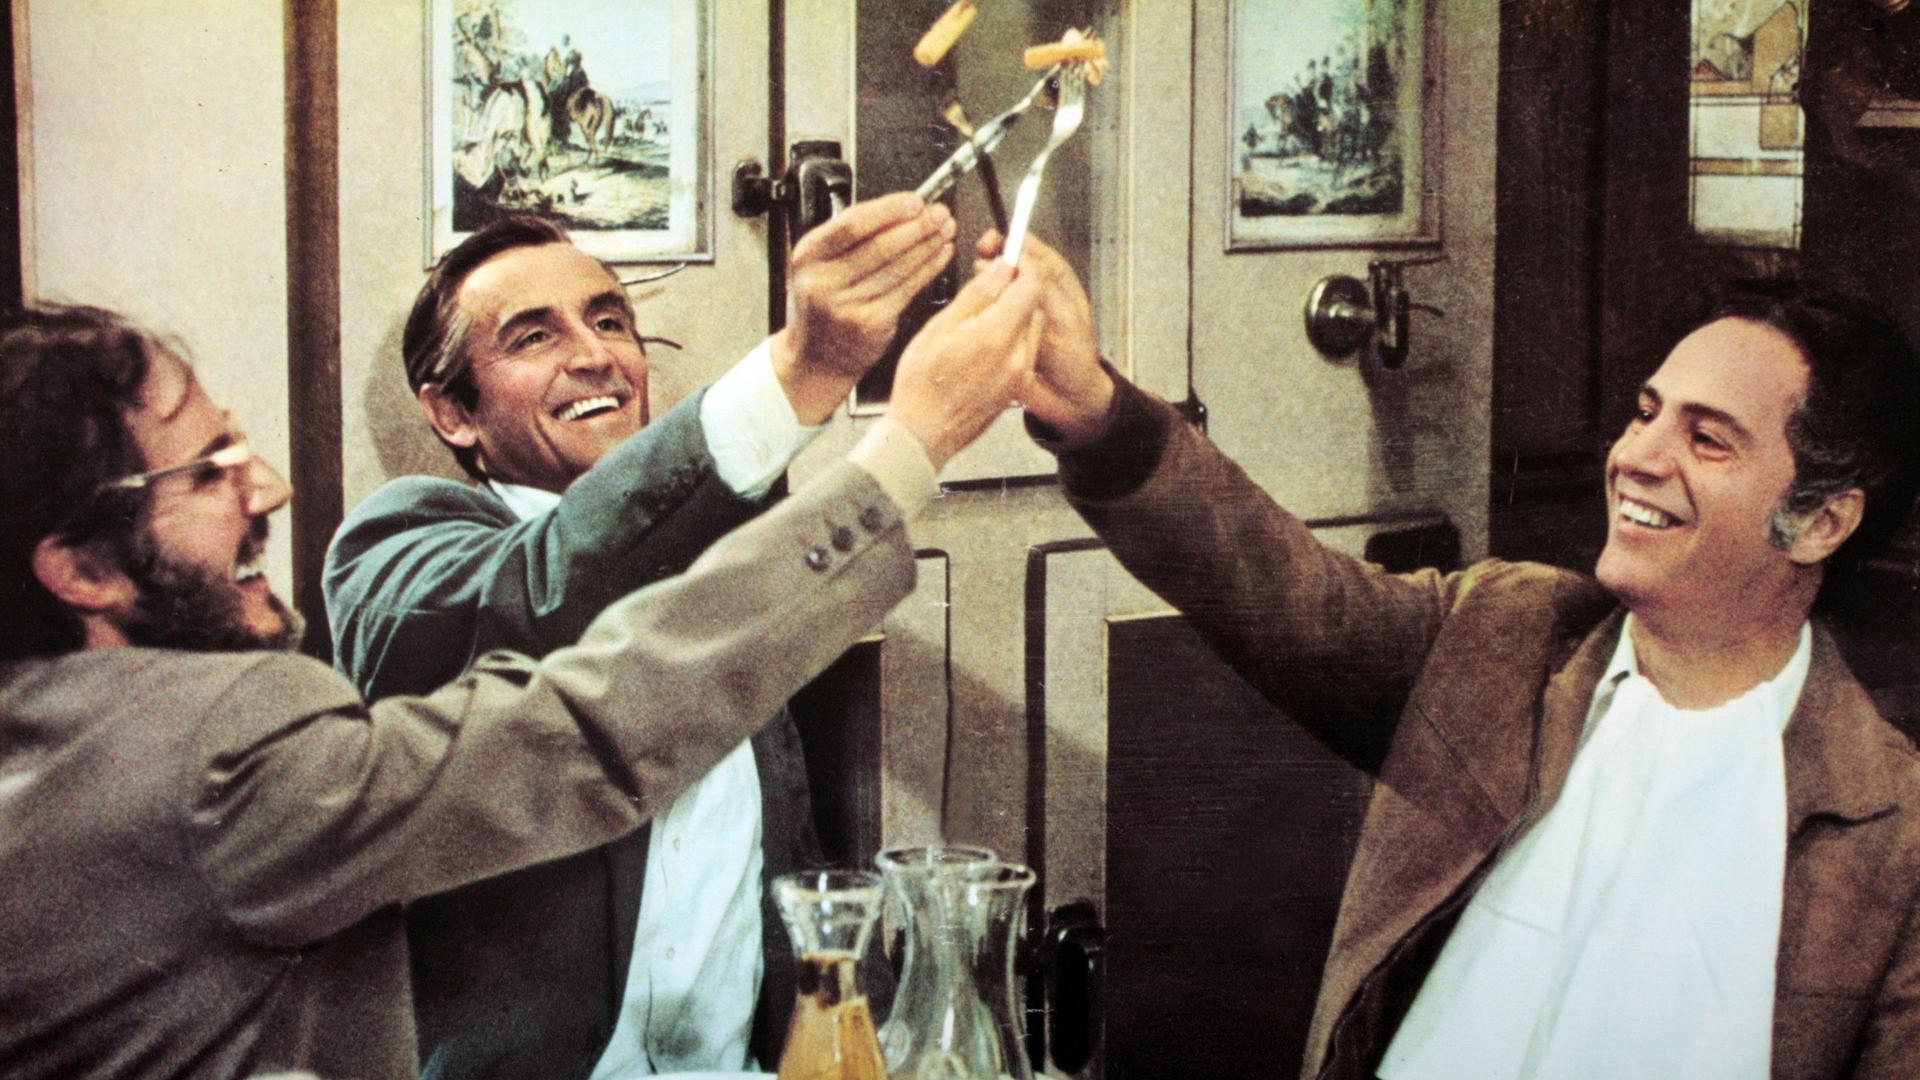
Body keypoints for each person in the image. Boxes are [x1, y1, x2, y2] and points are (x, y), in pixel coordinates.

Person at [0, 272, 1039, 1079]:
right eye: (207, 469)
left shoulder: (45, 728)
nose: (264, 486)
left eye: (612, 319)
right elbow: (572, 670)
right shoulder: (389, 559)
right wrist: (893, 441)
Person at [1007, 230, 1920, 1080]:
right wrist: (1097, 415)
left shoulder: (1895, 837)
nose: (1636, 457)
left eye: (1706, 438)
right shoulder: (1503, 634)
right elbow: (1273, 585)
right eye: (1645, 414)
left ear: (1821, 521)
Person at [323, 194, 964, 1078]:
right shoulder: (402, 549)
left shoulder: (726, 567)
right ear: (452, 415)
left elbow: (802, 882)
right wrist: (801, 370)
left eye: (610, 320)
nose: (597, 356)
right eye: (533, 337)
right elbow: (542, 591)